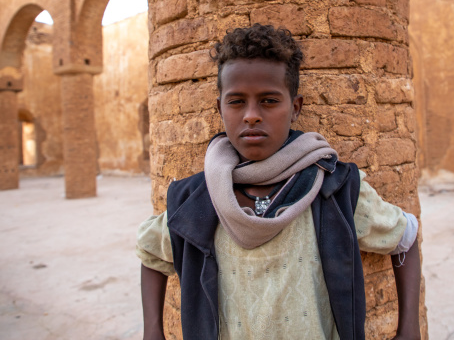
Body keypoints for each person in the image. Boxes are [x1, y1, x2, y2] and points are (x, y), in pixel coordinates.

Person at [137, 24, 421, 340]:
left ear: (295, 108)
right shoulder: (197, 198)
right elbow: (151, 252)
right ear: (220, 108)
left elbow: (405, 236)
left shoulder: (333, 189)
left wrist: (410, 328)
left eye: (269, 101)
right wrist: (153, 332)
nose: (251, 115)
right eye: (236, 102)